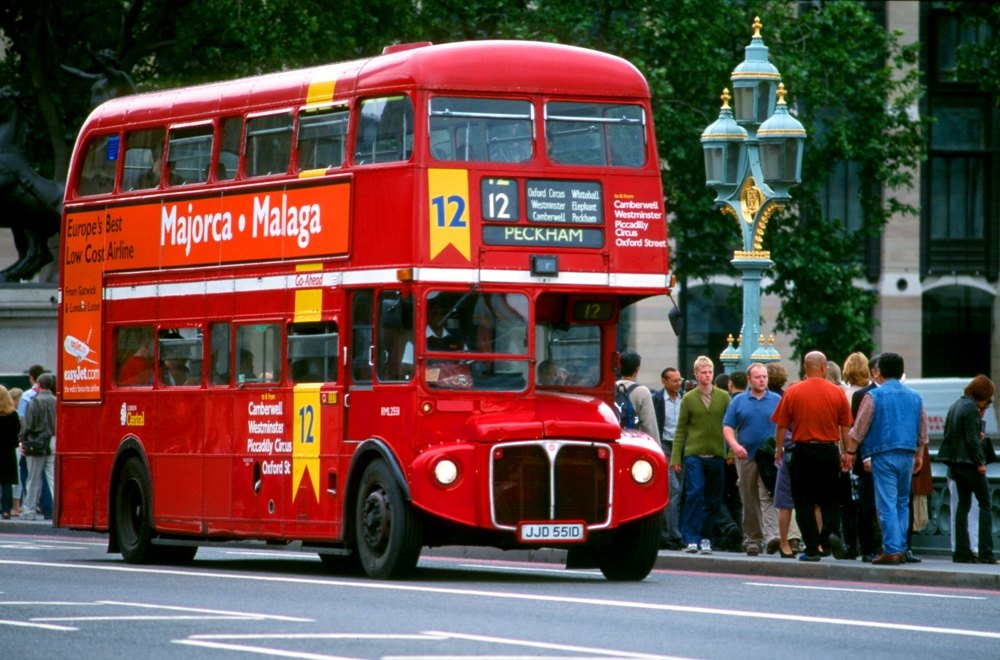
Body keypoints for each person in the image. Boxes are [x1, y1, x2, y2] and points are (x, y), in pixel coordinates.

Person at [844, 352, 928, 565]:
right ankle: (901, 547)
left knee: (887, 503)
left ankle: (891, 549)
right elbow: (922, 430)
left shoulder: (874, 396)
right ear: (901, 372)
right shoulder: (916, 397)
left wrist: (851, 453)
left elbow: (859, 429)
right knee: (902, 502)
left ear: (879, 371)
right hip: (908, 454)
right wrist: (919, 455)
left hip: (883, 453)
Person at [772, 351, 852, 562]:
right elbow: (845, 427)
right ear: (824, 367)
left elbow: (781, 425)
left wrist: (779, 449)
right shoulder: (837, 393)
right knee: (830, 498)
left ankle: (812, 549)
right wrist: (846, 453)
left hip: (803, 451)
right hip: (829, 451)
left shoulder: (793, 391)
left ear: (805, 368)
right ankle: (830, 534)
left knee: (804, 502)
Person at [671, 356, 731, 555]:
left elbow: (731, 426)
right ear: (696, 374)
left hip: (716, 454)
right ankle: (691, 538)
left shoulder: (723, 397)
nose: (707, 376)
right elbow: (680, 430)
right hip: (694, 454)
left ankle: (706, 537)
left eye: (710, 372)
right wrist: (676, 457)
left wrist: (730, 450)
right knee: (694, 494)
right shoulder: (688, 398)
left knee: (713, 498)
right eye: (703, 372)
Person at [937, 375, 997, 565]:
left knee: (962, 507)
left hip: (955, 466)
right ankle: (986, 553)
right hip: (970, 465)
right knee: (985, 504)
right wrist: (980, 462)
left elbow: (951, 434)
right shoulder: (971, 408)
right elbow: (971, 440)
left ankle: (961, 553)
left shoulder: (956, 405)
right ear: (983, 394)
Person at [723, 363, 782, 556]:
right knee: (748, 498)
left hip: (768, 457)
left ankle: (772, 536)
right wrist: (734, 445)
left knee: (768, 496)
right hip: (746, 456)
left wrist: (780, 449)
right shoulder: (739, 401)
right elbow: (728, 426)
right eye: (758, 377)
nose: (762, 380)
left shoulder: (776, 399)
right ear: (749, 380)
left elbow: (784, 426)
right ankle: (752, 540)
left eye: (764, 376)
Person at [766, 363, 803, 557]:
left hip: (788, 454)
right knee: (808, 502)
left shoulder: (787, 399)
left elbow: (781, 427)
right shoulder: (789, 398)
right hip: (803, 453)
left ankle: (785, 542)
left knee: (781, 501)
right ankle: (804, 542)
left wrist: (779, 449)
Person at [850, 354, 883, 562]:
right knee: (867, 506)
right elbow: (858, 428)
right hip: (868, 459)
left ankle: (898, 547)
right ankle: (868, 547)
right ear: (874, 371)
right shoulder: (863, 395)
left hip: (889, 456)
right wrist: (858, 455)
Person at [653, 367, 684, 549]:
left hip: (681, 447)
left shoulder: (685, 398)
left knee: (679, 491)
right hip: (664, 445)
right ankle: (671, 534)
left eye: (679, 380)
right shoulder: (656, 399)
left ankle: (671, 531)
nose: (677, 383)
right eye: (673, 380)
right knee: (673, 488)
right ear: (664, 382)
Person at [18, 372, 56, 521]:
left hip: (36, 442)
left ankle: (29, 511)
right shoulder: (57, 401)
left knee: (33, 479)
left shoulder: (33, 402)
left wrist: (22, 440)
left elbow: (27, 425)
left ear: (39, 385)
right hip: (53, 440)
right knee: (53, 478)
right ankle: (57, 510)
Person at [615, 351, 657, 439]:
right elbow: (649, 426)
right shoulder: (642, 392)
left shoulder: (611, 388)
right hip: (633, 442)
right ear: (637, 369)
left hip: (615, 439)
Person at [0, 385, 20, 519]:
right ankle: (6, 510)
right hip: (8, 451)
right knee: (6, 482)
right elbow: (17, 433)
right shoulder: (13, 415)